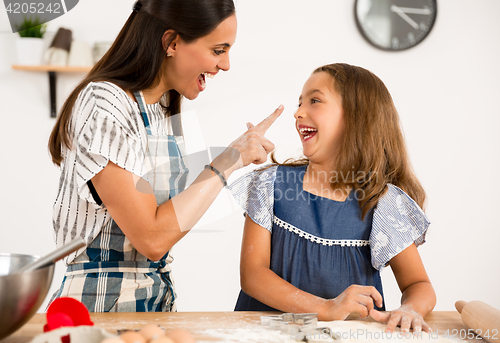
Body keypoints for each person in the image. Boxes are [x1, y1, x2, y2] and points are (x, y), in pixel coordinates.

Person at [47, 0, 283, 312]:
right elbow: (152, 238)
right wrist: (229, 160)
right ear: (171, 43)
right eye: (218, 50)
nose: (226, 65)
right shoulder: (105, 103)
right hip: (98, 309)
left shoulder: (158, 109)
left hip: (152, 302)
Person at [229, 63, 436, 333]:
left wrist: (411, 308)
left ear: (356, 117)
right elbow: (253, 276)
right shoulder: (270, 184)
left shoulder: (381, 202)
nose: (298, 112)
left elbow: (418, 285)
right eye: (300, 102)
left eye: (315, 101)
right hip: (265, 335)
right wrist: (326, 308)